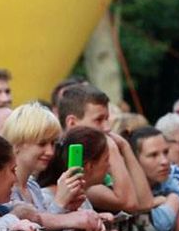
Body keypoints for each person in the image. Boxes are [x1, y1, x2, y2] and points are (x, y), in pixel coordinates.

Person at [2, 103, 107, 231]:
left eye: (53, 143)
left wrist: (69, 209)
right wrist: (60, 202)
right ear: (17, 143)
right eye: (42, 144)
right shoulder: (5, 188)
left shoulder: (32, 185)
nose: (50, 152)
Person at [58, 83, 154, 212]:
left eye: (107, 119)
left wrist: (125, 147)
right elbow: (130, 204)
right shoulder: (67, 164)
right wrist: (112, 148)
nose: (107, 128)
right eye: (98, 120)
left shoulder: (98, 156)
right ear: (72, 123)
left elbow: (146, 203)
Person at [38, 127, 126, 231]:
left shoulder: (82, 196)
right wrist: (60, 206)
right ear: (89, 165)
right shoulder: (46, 196)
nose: (109, 165)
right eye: (106, 160)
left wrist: (100, 224)